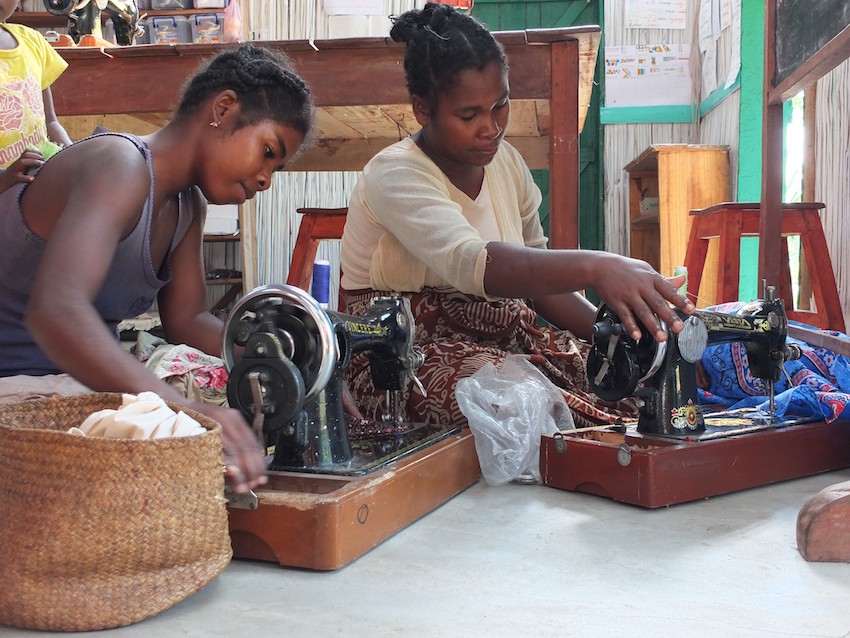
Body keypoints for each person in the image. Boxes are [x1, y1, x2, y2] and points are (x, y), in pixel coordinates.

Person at [339, 3, 694, 428]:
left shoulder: (507, 163)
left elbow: (541, 287)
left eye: (500, 105)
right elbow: (473, 264)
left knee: (631, 388)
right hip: (402, 356)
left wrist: (624, 337)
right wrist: (599, 267)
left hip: (505, 341)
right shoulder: (395, 172)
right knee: (517, 406)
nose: (491, 127)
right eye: (469, 115)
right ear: (422, 109)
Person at [0, 43, 316, 493]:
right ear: (223, 109)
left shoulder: (187, 206)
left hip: (66, 390)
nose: (266, 178)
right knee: (188, 458)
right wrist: (186, 409)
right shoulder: (120, 164)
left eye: (277, 168)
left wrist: (294, 365)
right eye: (268, 151)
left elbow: (188, 320)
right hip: (17, 393)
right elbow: (56, 313)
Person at [0, 0, 73, 193]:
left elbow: (50, 122)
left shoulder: (32, 42)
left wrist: (73, 153)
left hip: (37, 185)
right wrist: (3, 179)